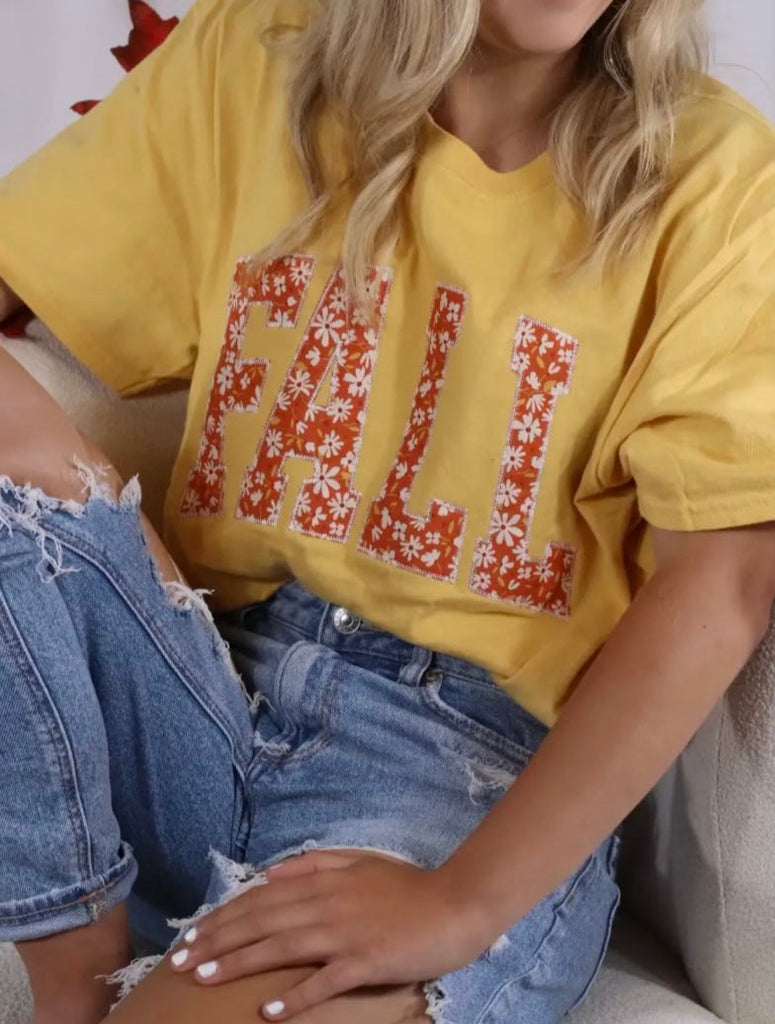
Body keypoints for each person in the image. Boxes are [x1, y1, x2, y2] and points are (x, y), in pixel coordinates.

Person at [1, 0, 774, 1022]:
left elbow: (724, 581)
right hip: (199, 683)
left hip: (452, 766)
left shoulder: (712, 178)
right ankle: (75, 976)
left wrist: (461, 903)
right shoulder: (254, 58)